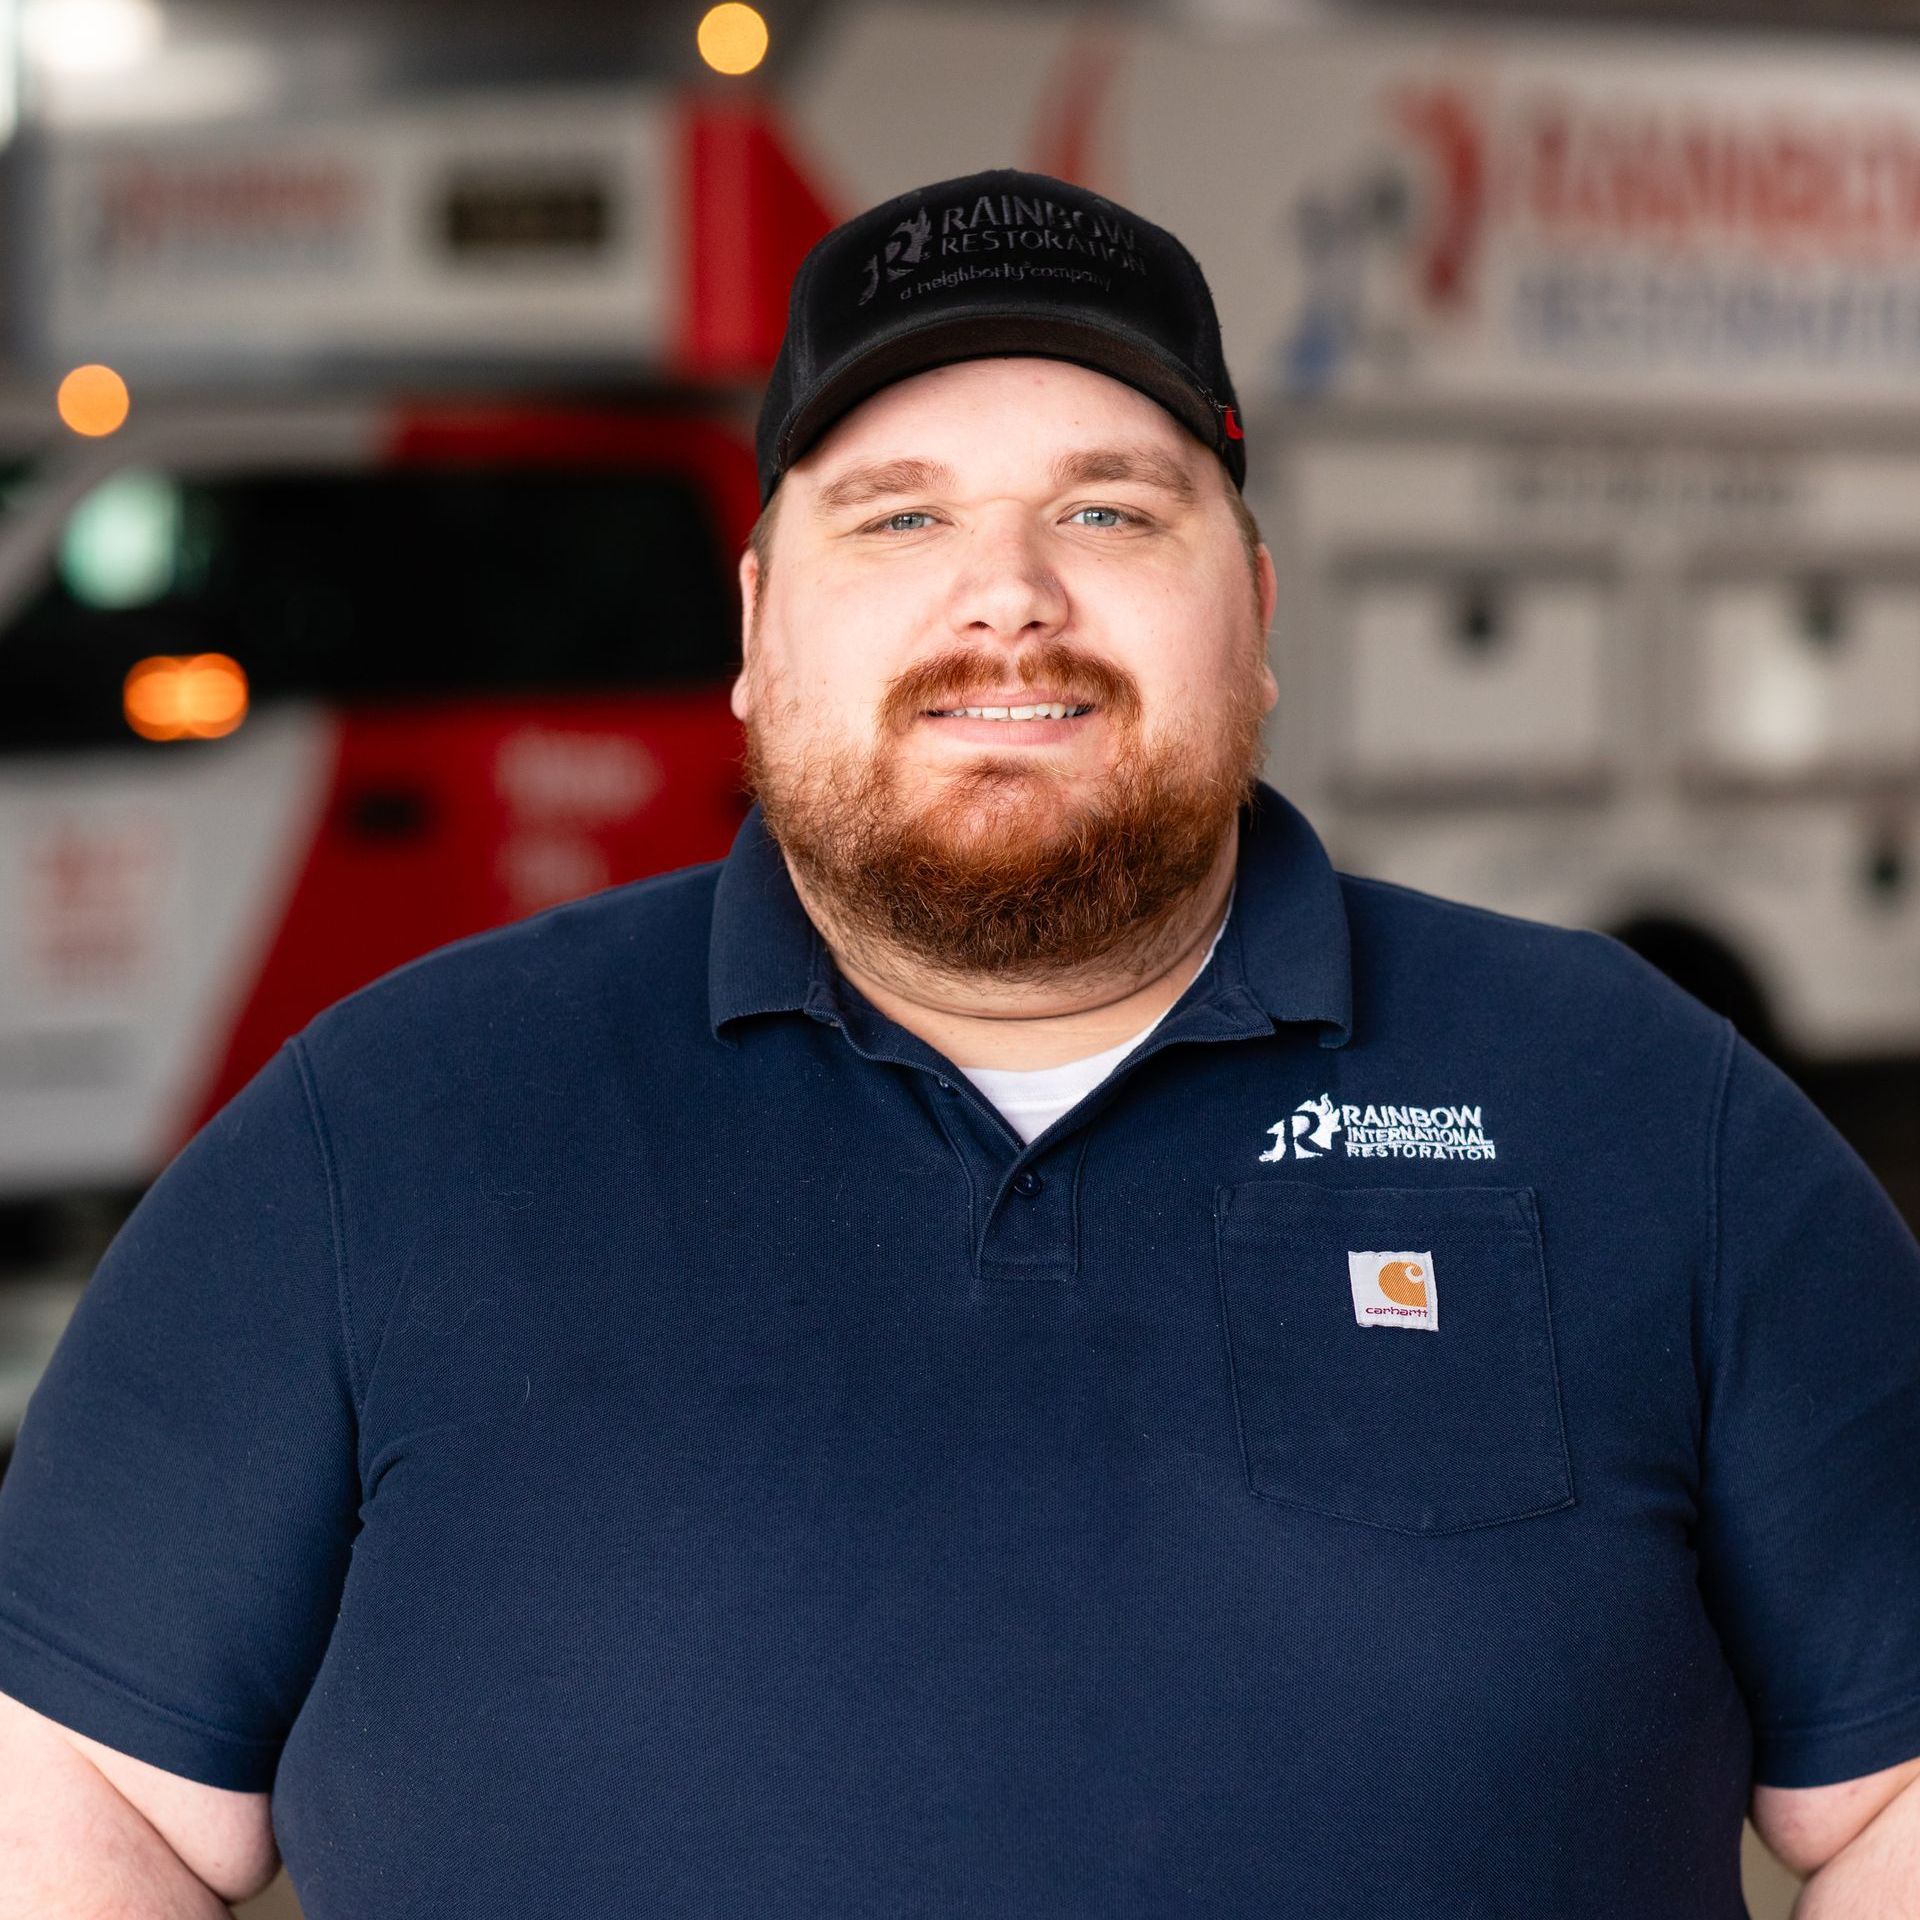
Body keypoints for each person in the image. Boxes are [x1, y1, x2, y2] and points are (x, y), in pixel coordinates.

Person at [1, 166, 1917, 1920]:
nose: (1010, 593)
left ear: (1252, 614)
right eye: (900, 513)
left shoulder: (1645, 1112)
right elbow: (80, 1789)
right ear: (757, 623)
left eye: (1107, 506)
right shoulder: (380, 1136)